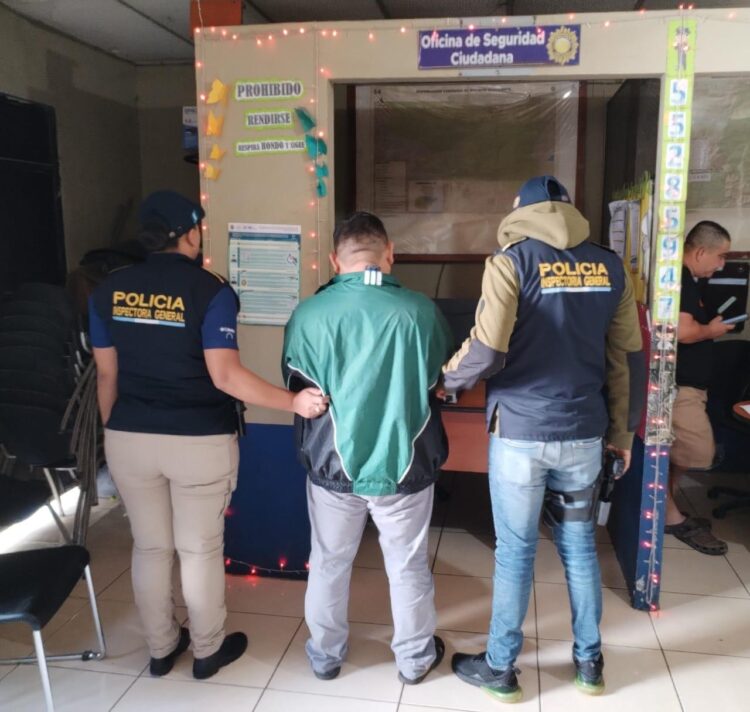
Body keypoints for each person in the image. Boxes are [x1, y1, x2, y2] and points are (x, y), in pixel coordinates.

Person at [89, 190, 327, 680]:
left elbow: (106, 376)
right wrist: (293, 401)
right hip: (197, 439)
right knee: (198, 549)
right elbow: (226, 376)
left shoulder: (108, 290)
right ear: (191, 234)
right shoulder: (210, 290)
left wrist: (117, 432)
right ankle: (206, 650)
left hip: (128, 436)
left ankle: (160, 650)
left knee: (150, 547)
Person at [443, 176, 645, 701]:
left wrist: (446, 380)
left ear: (520, 212)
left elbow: (487, 348)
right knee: (579, 547)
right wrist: (622, 432)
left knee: (515, 552)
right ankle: (589, 663)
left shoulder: (510, 261)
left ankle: (501, 667)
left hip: (520, 433)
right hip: (584, 433)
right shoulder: (611, 266)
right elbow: (627, 357)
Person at [282, 211, 452, 684]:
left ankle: (325, 656)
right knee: (407, 565)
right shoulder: (421, 312)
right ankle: (414, 660)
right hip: (405, 466)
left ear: (335, 261)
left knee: (329, 563)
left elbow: (297, 385)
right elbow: (441, 381)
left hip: (333, 466)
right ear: (389, 253)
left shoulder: (308, 314)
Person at [665, 220, 734, 555]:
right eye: (720, 256)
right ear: (701, 251)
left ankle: (666, 508)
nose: (721, 265)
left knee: (677, 453)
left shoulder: (687, 280)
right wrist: (712, 331)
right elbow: (682, 331)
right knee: (697, 451)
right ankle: (668, 513)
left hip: (688, 385)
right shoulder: (679, 278)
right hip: (680, 387)